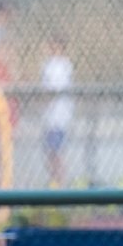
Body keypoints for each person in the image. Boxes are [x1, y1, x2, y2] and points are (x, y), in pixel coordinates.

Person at [40, 35, 74, 187]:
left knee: (56, 152)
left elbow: (53, 90)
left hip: (58, 117)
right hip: (52, 116)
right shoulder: (52, 64)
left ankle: (59, 183)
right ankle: (55, 182)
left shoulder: (60, 65)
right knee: (51, 152)